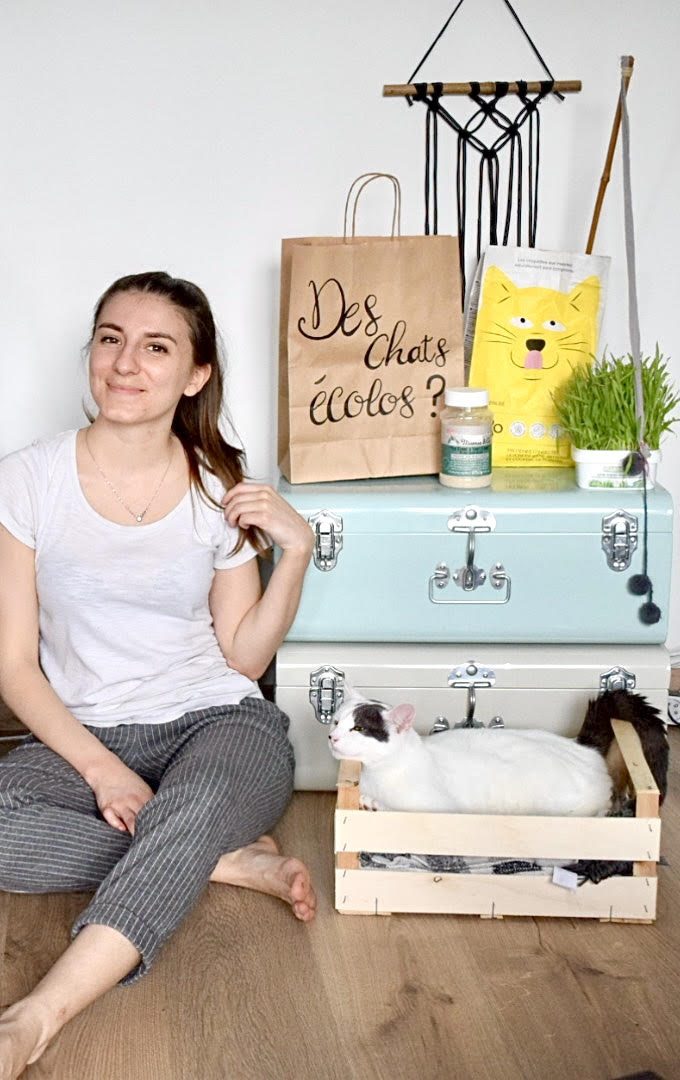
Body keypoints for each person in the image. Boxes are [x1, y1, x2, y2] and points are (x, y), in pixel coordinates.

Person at [0, 271, 317, 1078]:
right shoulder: (29, 478)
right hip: (87, 731)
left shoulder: (218, 487)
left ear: (196, 374)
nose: (125, 363)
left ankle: (35, 1018)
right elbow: (14, 665)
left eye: (156, 347)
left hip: (218, 723)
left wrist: (296, 554)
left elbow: (244, 658)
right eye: (111, 339)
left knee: (196, 800)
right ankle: (217, 859)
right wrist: (102, 770)